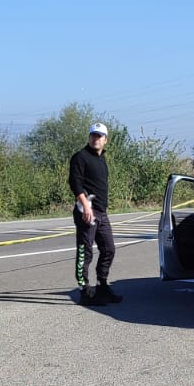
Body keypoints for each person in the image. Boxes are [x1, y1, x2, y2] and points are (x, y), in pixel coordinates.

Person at [69, 122, 122, 306]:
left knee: (109, 249)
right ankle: (84, 290)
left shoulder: (101, 159)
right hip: (87, 212)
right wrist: (86, 206)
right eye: (93, 135)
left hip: (102, 212)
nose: (95, 139)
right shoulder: (80, 157)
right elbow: (75, 183)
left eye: (99, 136)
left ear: (105, 140)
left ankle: (102, 285)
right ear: (89, 137)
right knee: (86, 252)